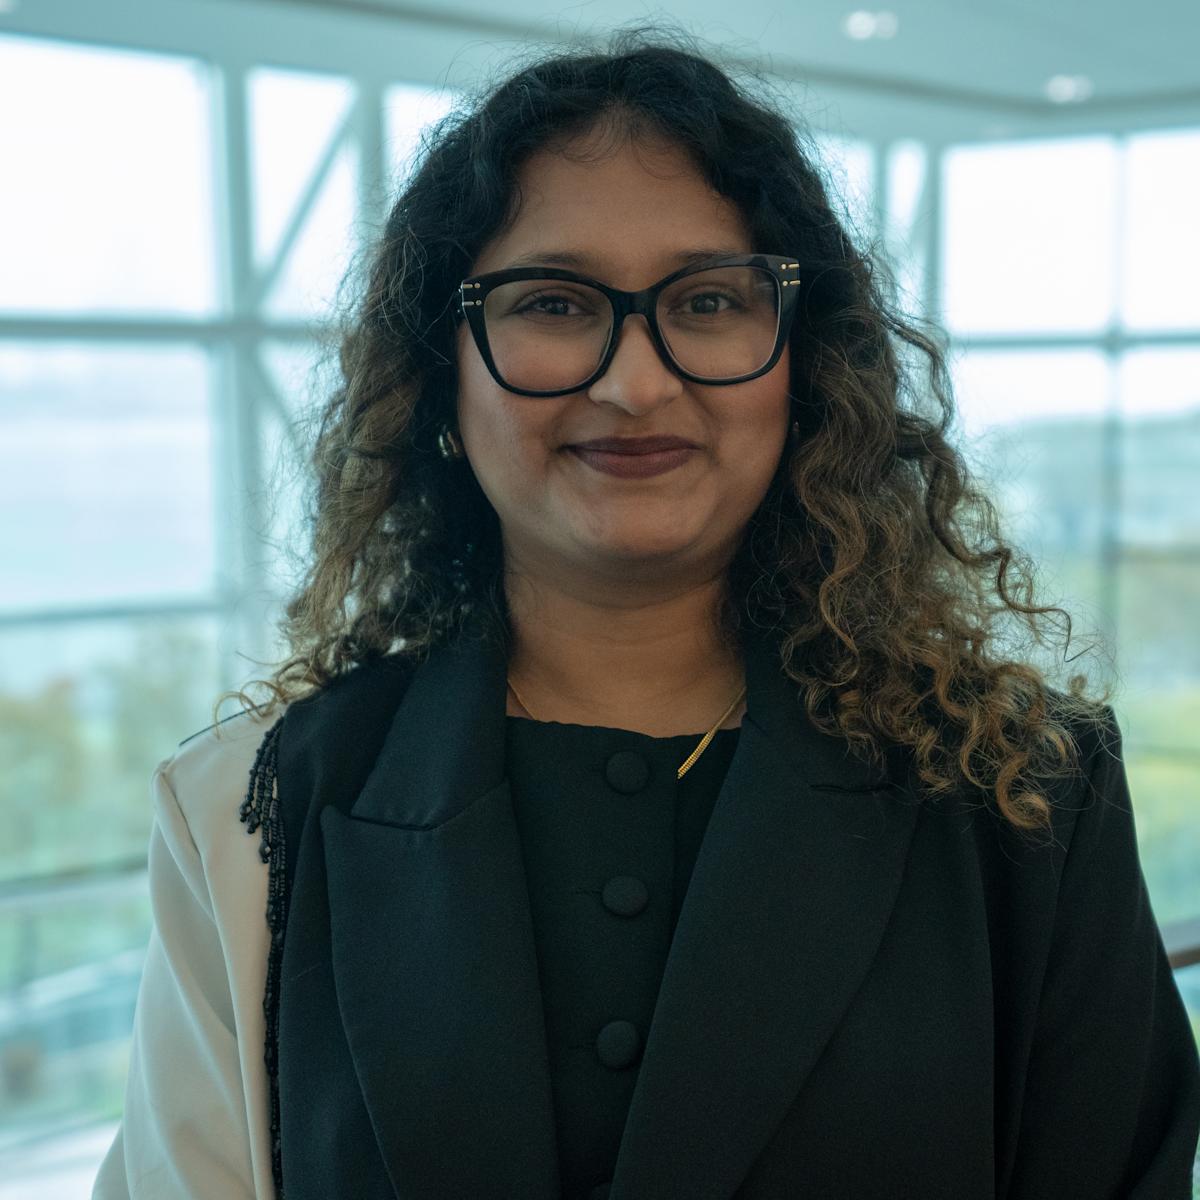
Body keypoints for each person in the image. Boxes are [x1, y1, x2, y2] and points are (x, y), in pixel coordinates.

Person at [93, 29, 1200, 1200]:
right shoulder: (250, 812)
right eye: (556, 302)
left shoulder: (1029, 796)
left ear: (805, 364)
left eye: (710, 300)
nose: (633, 383)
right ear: (439, 373)